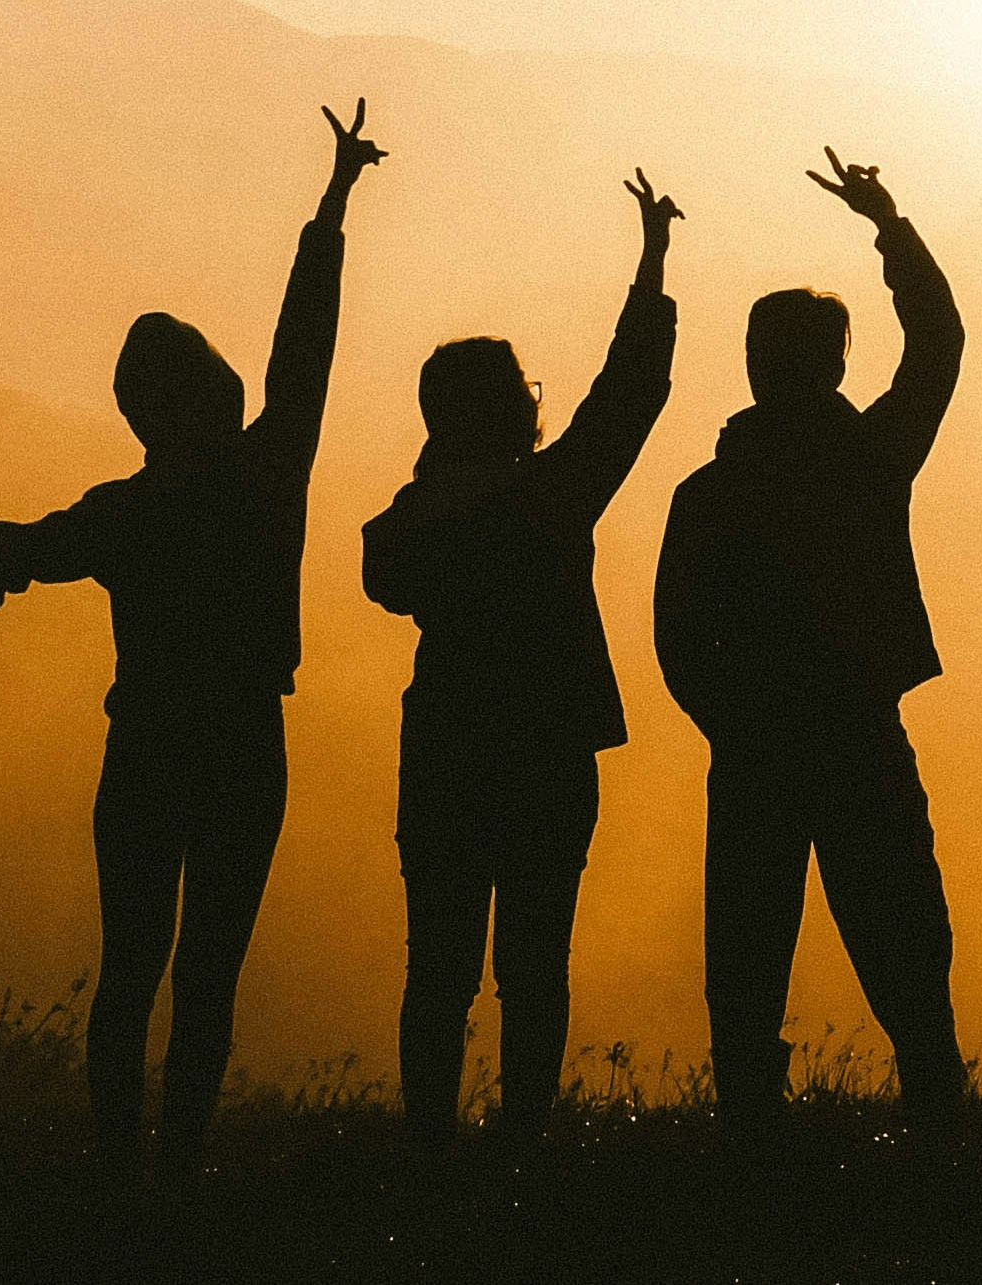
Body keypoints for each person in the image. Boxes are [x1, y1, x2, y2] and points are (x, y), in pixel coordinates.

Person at [0, 102, 381, 1176]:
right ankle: (176, 1170)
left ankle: (119, 1175)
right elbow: (305, 347)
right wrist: (332, 207)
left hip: (146, 748)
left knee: (131, 971)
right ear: (215, 394)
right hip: (244, 746)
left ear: (139, 412)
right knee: (206, 977)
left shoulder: (123, 514)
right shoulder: (265, 474)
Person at [363, 170, 685, 1150]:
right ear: (513, 409)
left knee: (438, 967)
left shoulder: (412, 517)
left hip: (445, 751)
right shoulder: (552, 494)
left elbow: (383, 575)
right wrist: (653, 264)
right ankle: (524, 1143)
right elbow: (630, 394)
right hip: (548, 752)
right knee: (535, 966)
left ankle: (430, 1144)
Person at [652, 150, 967, 1130]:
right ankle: (938, 1124)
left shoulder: (712, 491)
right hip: (856, 732)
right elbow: (939, 342)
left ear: (756, 363)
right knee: (903, 942)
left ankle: (750, 1135)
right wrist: (889, 224)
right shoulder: (867, 459)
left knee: (746, 956)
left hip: (754, 748)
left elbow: (676, 636)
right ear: (834, 363)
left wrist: (730, 718)